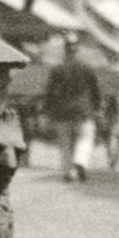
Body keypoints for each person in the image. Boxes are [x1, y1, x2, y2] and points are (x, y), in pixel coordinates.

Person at [43, 32, 101, 182]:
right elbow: (95, 90)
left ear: (65, 49)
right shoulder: (86, 68)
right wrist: (96, 107)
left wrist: (48, 111)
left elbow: (49, 93)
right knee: (85, 138)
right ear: (77, 49)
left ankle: (67, 172)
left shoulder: (57, 70)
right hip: (83, 111)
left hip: (62, 111)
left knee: (65, 143)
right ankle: (80, 162)